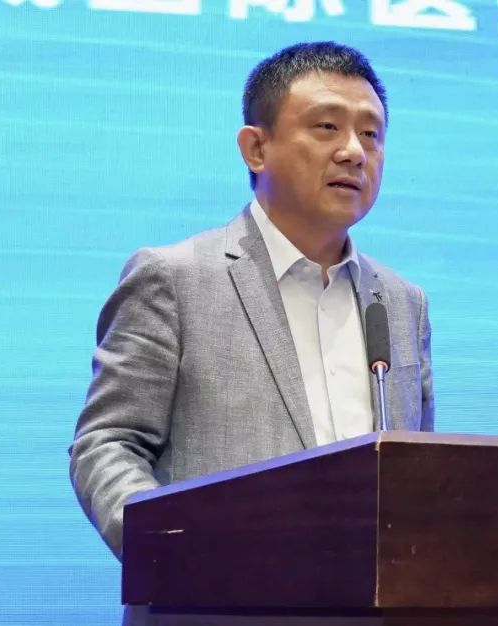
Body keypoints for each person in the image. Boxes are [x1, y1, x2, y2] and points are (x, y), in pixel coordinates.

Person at [68, 41, 434, 563]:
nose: (354, 151)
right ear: (256, 148)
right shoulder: (174, 279)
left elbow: (416, 475)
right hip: (215, 596)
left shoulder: (401, 303)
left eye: (371, 134)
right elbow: (108, 443)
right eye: (327, 127)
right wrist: (171, 555)